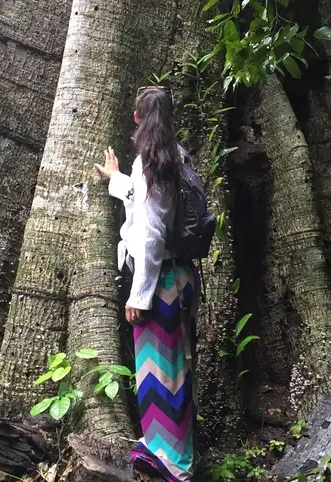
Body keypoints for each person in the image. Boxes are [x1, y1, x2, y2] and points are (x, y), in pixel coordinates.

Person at [94, 86, 200, 482]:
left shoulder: (150, 162)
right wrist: (116, 176)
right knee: (176, 369)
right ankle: (170, 453)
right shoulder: (175, 157)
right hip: (182, 277)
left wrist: (139, 295)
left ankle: (174, 464)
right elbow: (146, 203)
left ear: (138, 119)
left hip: (160, 281)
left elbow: (151, 232)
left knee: (160, 374)